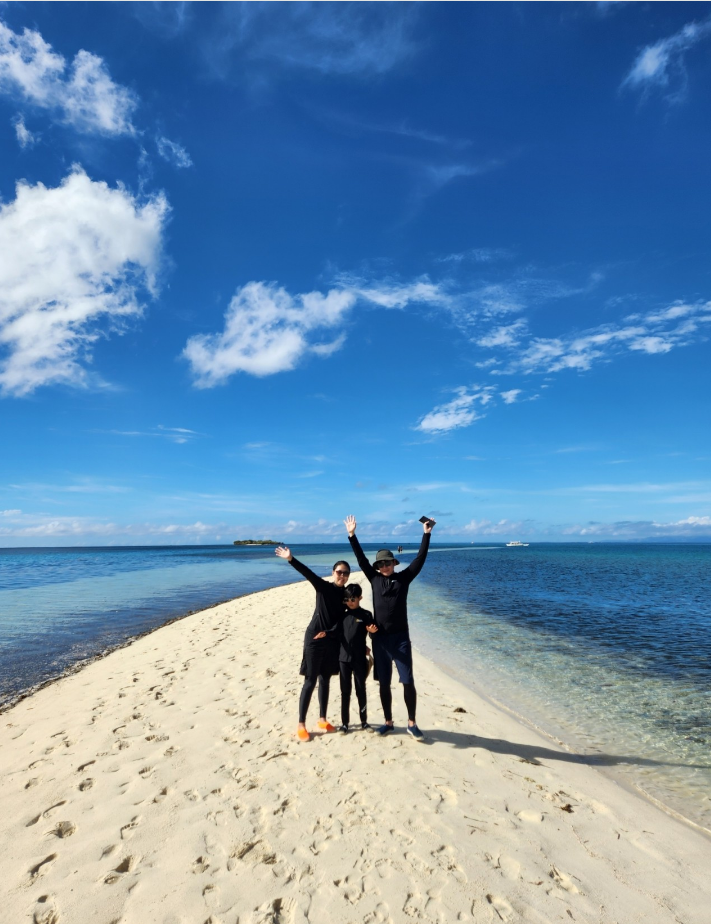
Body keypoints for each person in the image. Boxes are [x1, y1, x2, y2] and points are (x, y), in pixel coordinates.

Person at [343, 514, 435, 741]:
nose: (384, 566)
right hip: (380, 641)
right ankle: (388, 722)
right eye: (381, 564)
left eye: (388, 562)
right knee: (384, 683)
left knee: (407, 681)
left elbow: (420, 559)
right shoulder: (373, 579)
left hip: (401, 639)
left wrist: (426, 534)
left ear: (394, 563)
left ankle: (412, 724)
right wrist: (352, 535)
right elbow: (361, 559)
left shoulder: (404, 578)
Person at [275, 545, 351, 741]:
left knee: (325, 679)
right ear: (333, 572)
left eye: (345, 573)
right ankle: (301, 724)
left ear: (348, 576)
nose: (341, 575)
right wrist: (291, 558)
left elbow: (345, 619)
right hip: (314, 639)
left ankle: (322, 719)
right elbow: (307, 572)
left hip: (331, 639)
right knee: (310, 680)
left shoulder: (346, 596)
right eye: (339, 572)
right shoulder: (323, 587)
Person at [338, 583, 375, 734]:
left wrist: (372, 632)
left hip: (359, 658)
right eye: (347, 599)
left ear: (360, 598)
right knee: (345, 691)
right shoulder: (342, 614)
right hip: (343, 659)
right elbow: (335, 633)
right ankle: (345, 723)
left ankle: (364, 721)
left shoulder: (366, 615)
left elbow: (373, 634)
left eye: (353, 598)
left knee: (361, 689)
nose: (350, 602)